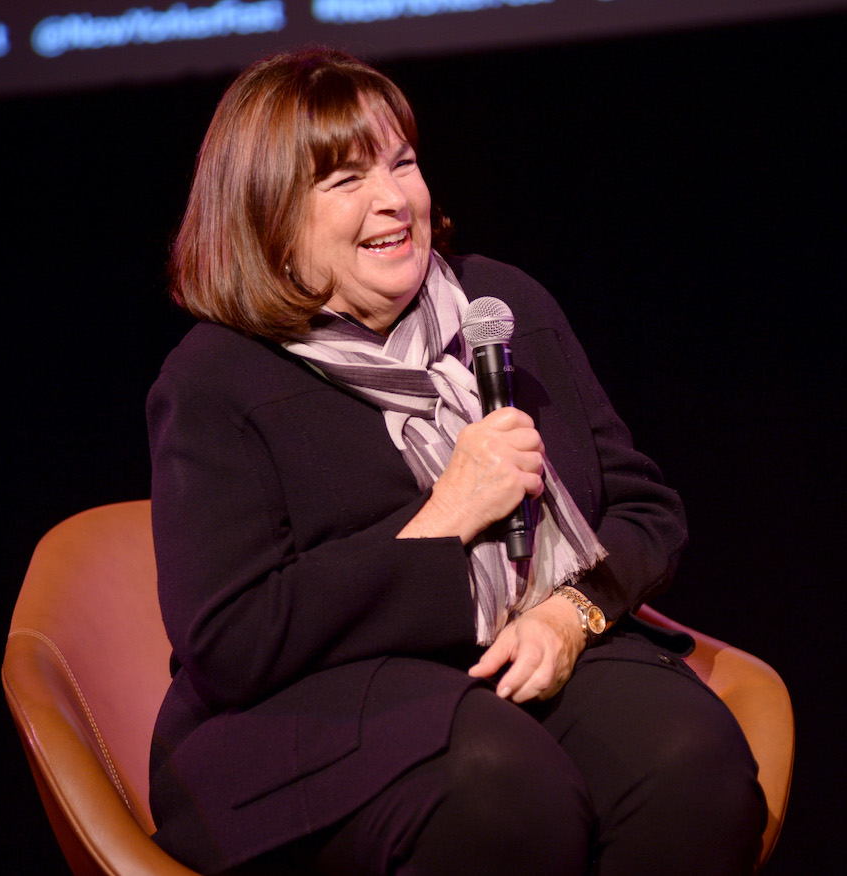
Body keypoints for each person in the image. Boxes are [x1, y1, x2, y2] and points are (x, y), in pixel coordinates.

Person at [146, 48, 765, 876]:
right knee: (500, 788)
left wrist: (566, 618)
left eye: (401, 162)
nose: (394, 199)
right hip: (310, 707)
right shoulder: (217, 376)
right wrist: (444, 517)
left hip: (523, 655)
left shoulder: (499, 305)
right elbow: (232, 640)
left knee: (692, 762)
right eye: (345, 182)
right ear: (267, 216)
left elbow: (642, 511)